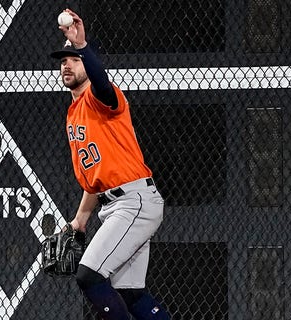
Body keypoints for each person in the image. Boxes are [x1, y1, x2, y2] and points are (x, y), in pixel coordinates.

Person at [50, 8, 171, 320]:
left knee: (89, 276)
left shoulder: (101, 97)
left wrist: (81, 46)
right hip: (115, 204)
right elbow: (95, 180)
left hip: (134, 200)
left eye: (73, 60)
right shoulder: (73, 112)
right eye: (63, 61)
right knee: (131, 293)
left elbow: (102, 83)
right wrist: (79, 222)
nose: (66, 65)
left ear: (86, 65)